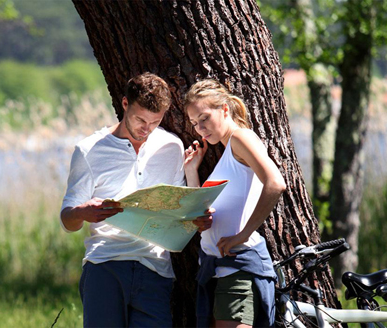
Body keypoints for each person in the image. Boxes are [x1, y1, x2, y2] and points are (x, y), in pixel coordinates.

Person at [60, 72, 212, 327]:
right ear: (124, 104)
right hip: (105, 265)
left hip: (155, 269)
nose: (146, 128)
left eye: (155, 121)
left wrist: (194, 218)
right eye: (140, 119)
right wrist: (82, 212)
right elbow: (67, 220)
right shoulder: (89, 150)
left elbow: (178, 209)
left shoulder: (170, 146)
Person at [182, 79, 287, 328]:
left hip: (238, 268)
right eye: (195, 123)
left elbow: (275, 183)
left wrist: (242, 235)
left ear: (225, 109)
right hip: (220, 270)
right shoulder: (228, 154)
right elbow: (202, 213)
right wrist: (191, 171)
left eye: (204, 118)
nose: (200, 128)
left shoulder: (241, 138)